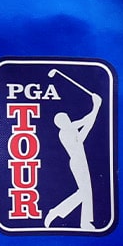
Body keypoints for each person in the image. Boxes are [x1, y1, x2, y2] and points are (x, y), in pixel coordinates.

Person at [43, 91, 104, 230]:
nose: (68, 120)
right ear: (61, 124)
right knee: (83, 192)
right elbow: (85, 129)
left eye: (67, 118)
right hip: (77, 163)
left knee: (86, 192)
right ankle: (57, 211)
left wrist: (96, 107)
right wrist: (96, 107)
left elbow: (85, 121)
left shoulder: (70, 127)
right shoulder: (65, 133)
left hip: (80, 161)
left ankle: (85, 222)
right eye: (64, 120)